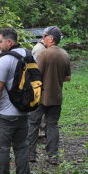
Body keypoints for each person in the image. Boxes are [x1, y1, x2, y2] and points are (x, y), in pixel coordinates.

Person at [0, 28, 30, 174]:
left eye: (0, 41)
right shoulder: (29, 55)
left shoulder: (5, 59)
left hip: (5, 113)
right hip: (24, 111)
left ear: (9, 42)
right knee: (21, 148)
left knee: (0, 149)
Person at [27, 26, 71, 165]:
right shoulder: (65, 55)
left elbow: (35, 75)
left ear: (50, 38)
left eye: (44, 36)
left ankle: (30, 155)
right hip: (56, 96)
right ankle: (53, 156)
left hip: (40, 96)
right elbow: (67, 77)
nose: (42, 38)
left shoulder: (43, 55)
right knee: (53, 125)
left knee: (33, 124)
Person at [31, 28, 48, 138]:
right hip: (38, 83)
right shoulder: (39, 49)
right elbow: (37, 69)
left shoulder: (42, 48)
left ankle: (41, 131)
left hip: (41, 82)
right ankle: (40, 133)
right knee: (39, 107)